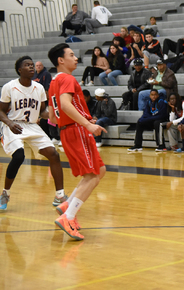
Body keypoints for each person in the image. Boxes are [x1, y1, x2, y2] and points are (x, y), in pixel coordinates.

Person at [47, 43, 107, 241]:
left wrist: (82, 118)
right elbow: (65, 104)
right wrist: (86, 125)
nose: (76, 58)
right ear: (61, 61)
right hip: (76, 131)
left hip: (68, 131)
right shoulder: (68, 78)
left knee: (99, 170)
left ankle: (66, 206)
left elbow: (53, 117)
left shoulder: (54, 82)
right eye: (71, 55)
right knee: (92, 176)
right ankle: (68, 217)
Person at [0, 56, 66, 211]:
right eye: (27, 65)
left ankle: (60, 195)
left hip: (31, 126)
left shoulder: (39, 88)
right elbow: (1, 111)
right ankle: (5, 193)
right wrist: (10, 123)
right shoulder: (9, 87)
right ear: (19, 70)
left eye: (32, 65)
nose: (31, 67)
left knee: (53, 154)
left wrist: (53, 115)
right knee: (19, 156)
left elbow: (42, 110)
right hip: (12, 124)